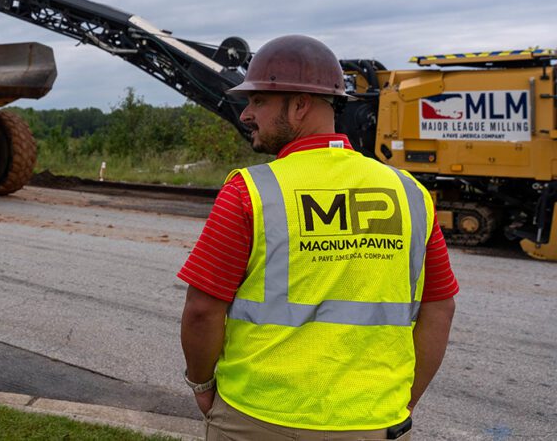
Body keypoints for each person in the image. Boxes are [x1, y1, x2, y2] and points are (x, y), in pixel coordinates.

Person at [179, 34, 458, 440]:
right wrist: (400, 403)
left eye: (258, 101)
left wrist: (202, 386)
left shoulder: (249, 191)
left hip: (259, 419)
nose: (245, 115)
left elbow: (202, 310)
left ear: (300, 105)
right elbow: (439, 309)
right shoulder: (409, 192)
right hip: (373, 424)